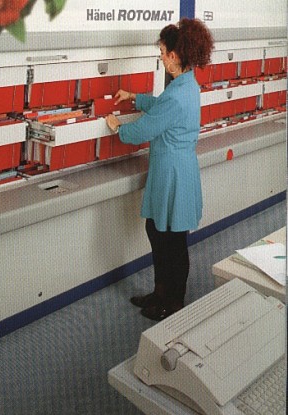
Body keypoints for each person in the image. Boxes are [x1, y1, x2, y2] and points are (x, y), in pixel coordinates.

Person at [105, 18, 214, 321]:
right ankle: (161, 293)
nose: (162, 58)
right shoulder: (185, 84)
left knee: (171, 241)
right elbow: (162, 106)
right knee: (159, 231)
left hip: (173, 173)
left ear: (174, 56)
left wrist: (117, 128)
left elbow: (144, 130)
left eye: (163, 53)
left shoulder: (178, 93)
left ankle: (173, 302)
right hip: (176, 168)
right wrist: (135, 98)